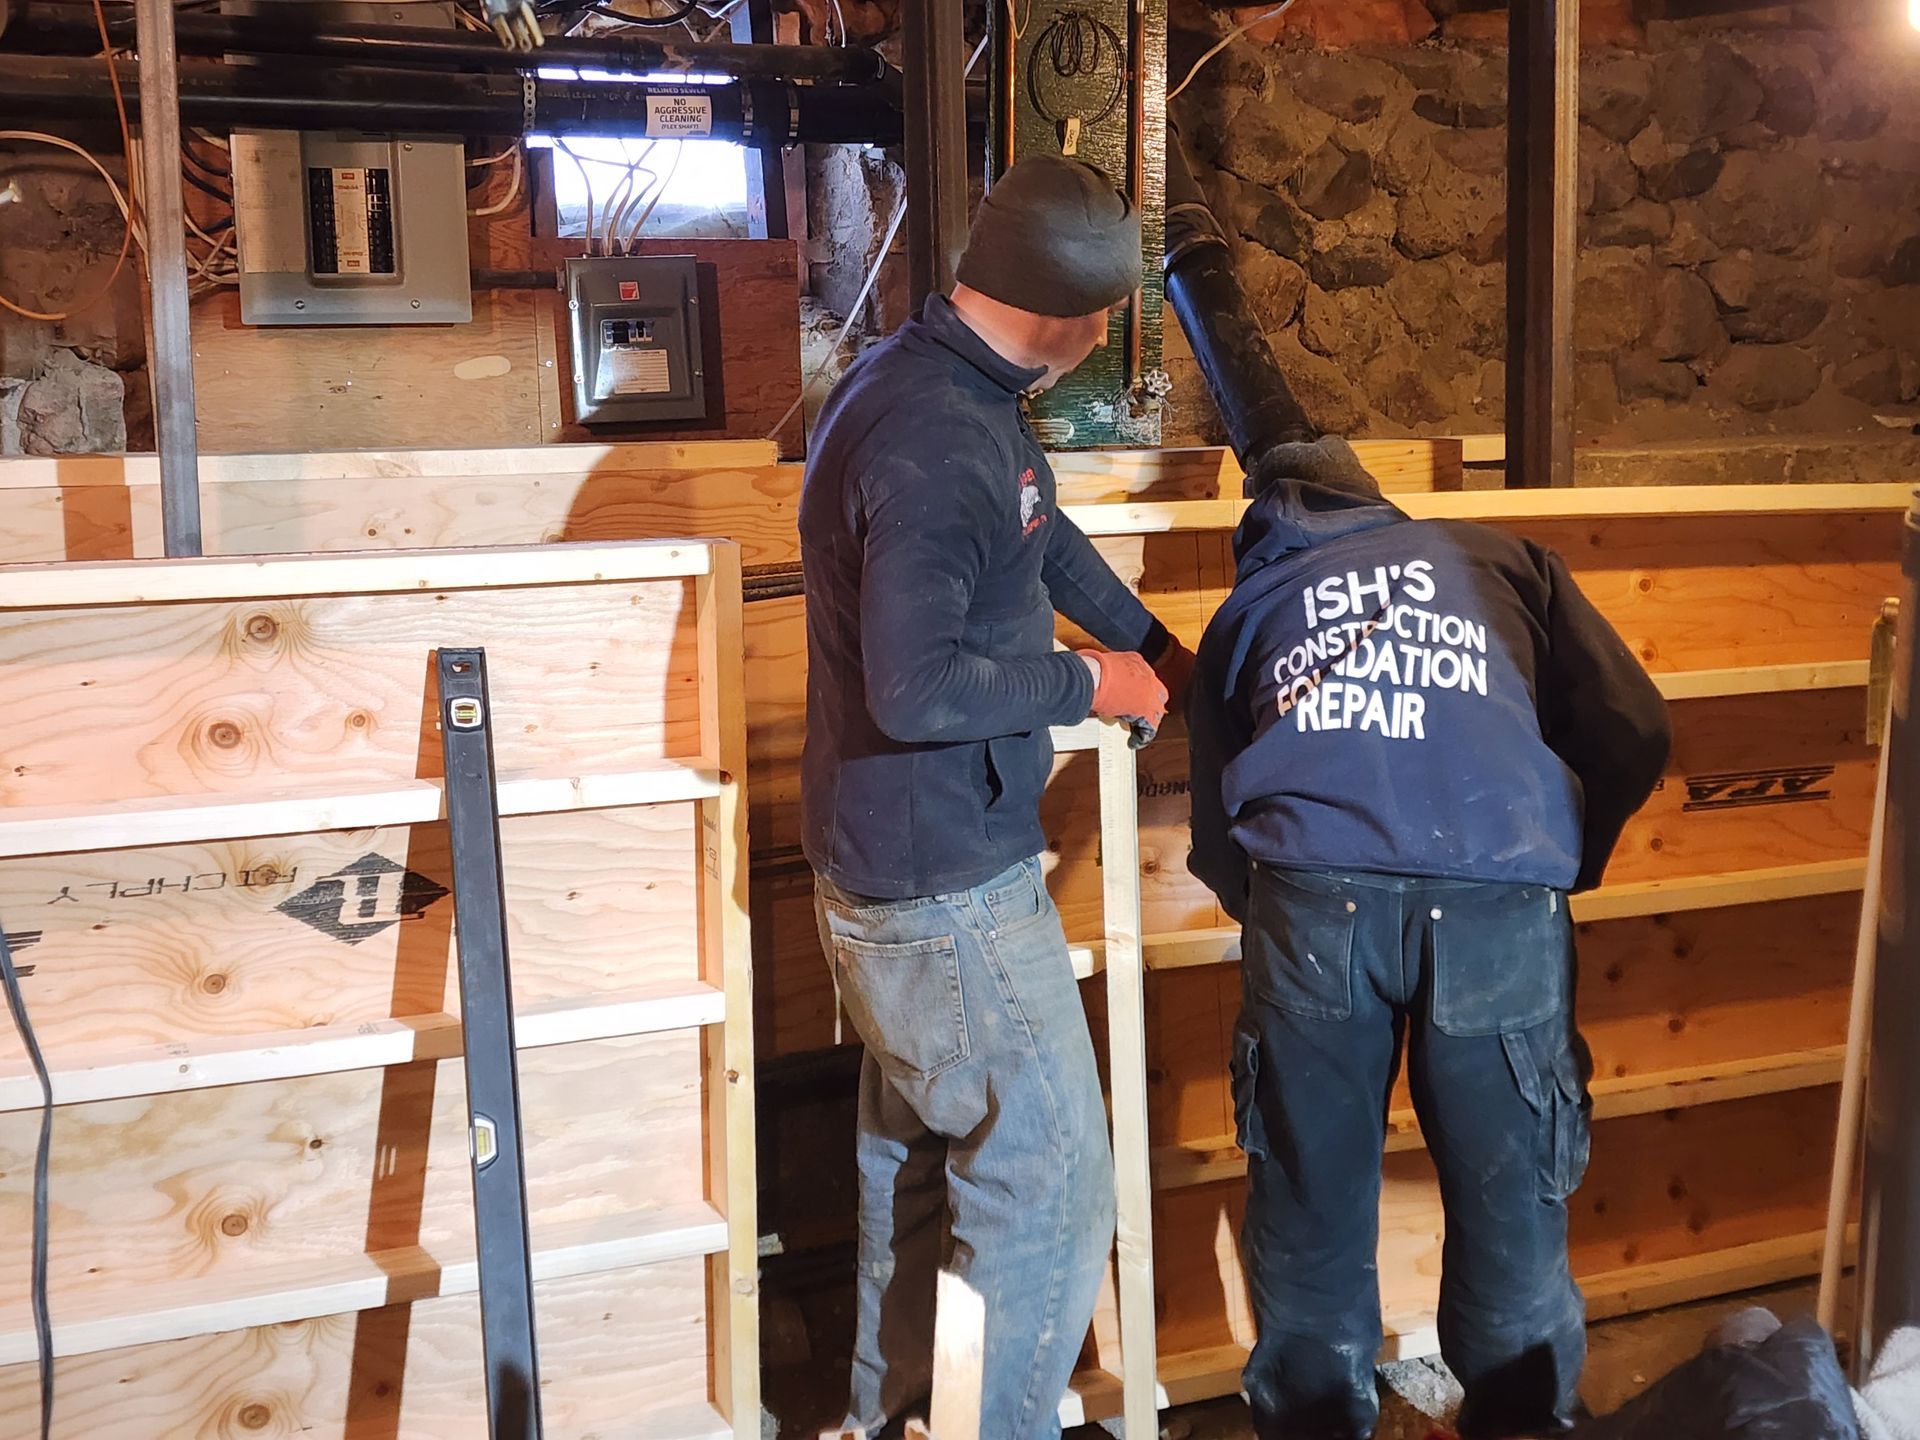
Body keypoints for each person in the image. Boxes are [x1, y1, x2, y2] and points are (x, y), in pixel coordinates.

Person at [799, 153, 1193, 1440]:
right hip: (945, 890)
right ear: (1080, 321)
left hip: (894, 867)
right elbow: (917, 688)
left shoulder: (940, 381)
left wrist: (1155, 648)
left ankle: (896, 1417)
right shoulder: (937, 439)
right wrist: (1092, 685)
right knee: (1053, 1184)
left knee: (918, 1168)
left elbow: (1035, 529)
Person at [1184, 437, 1671, 1440]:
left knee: (1311, 1206)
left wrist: (1281, 914)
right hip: (1497, 899)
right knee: (1510, 1213)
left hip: (1315, 901)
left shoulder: (1249, 608)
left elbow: (1212, 832)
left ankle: (1316, 1427)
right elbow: (1633, 722)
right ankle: (1523, 1425)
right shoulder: (1500, 558)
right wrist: (1560, 849)